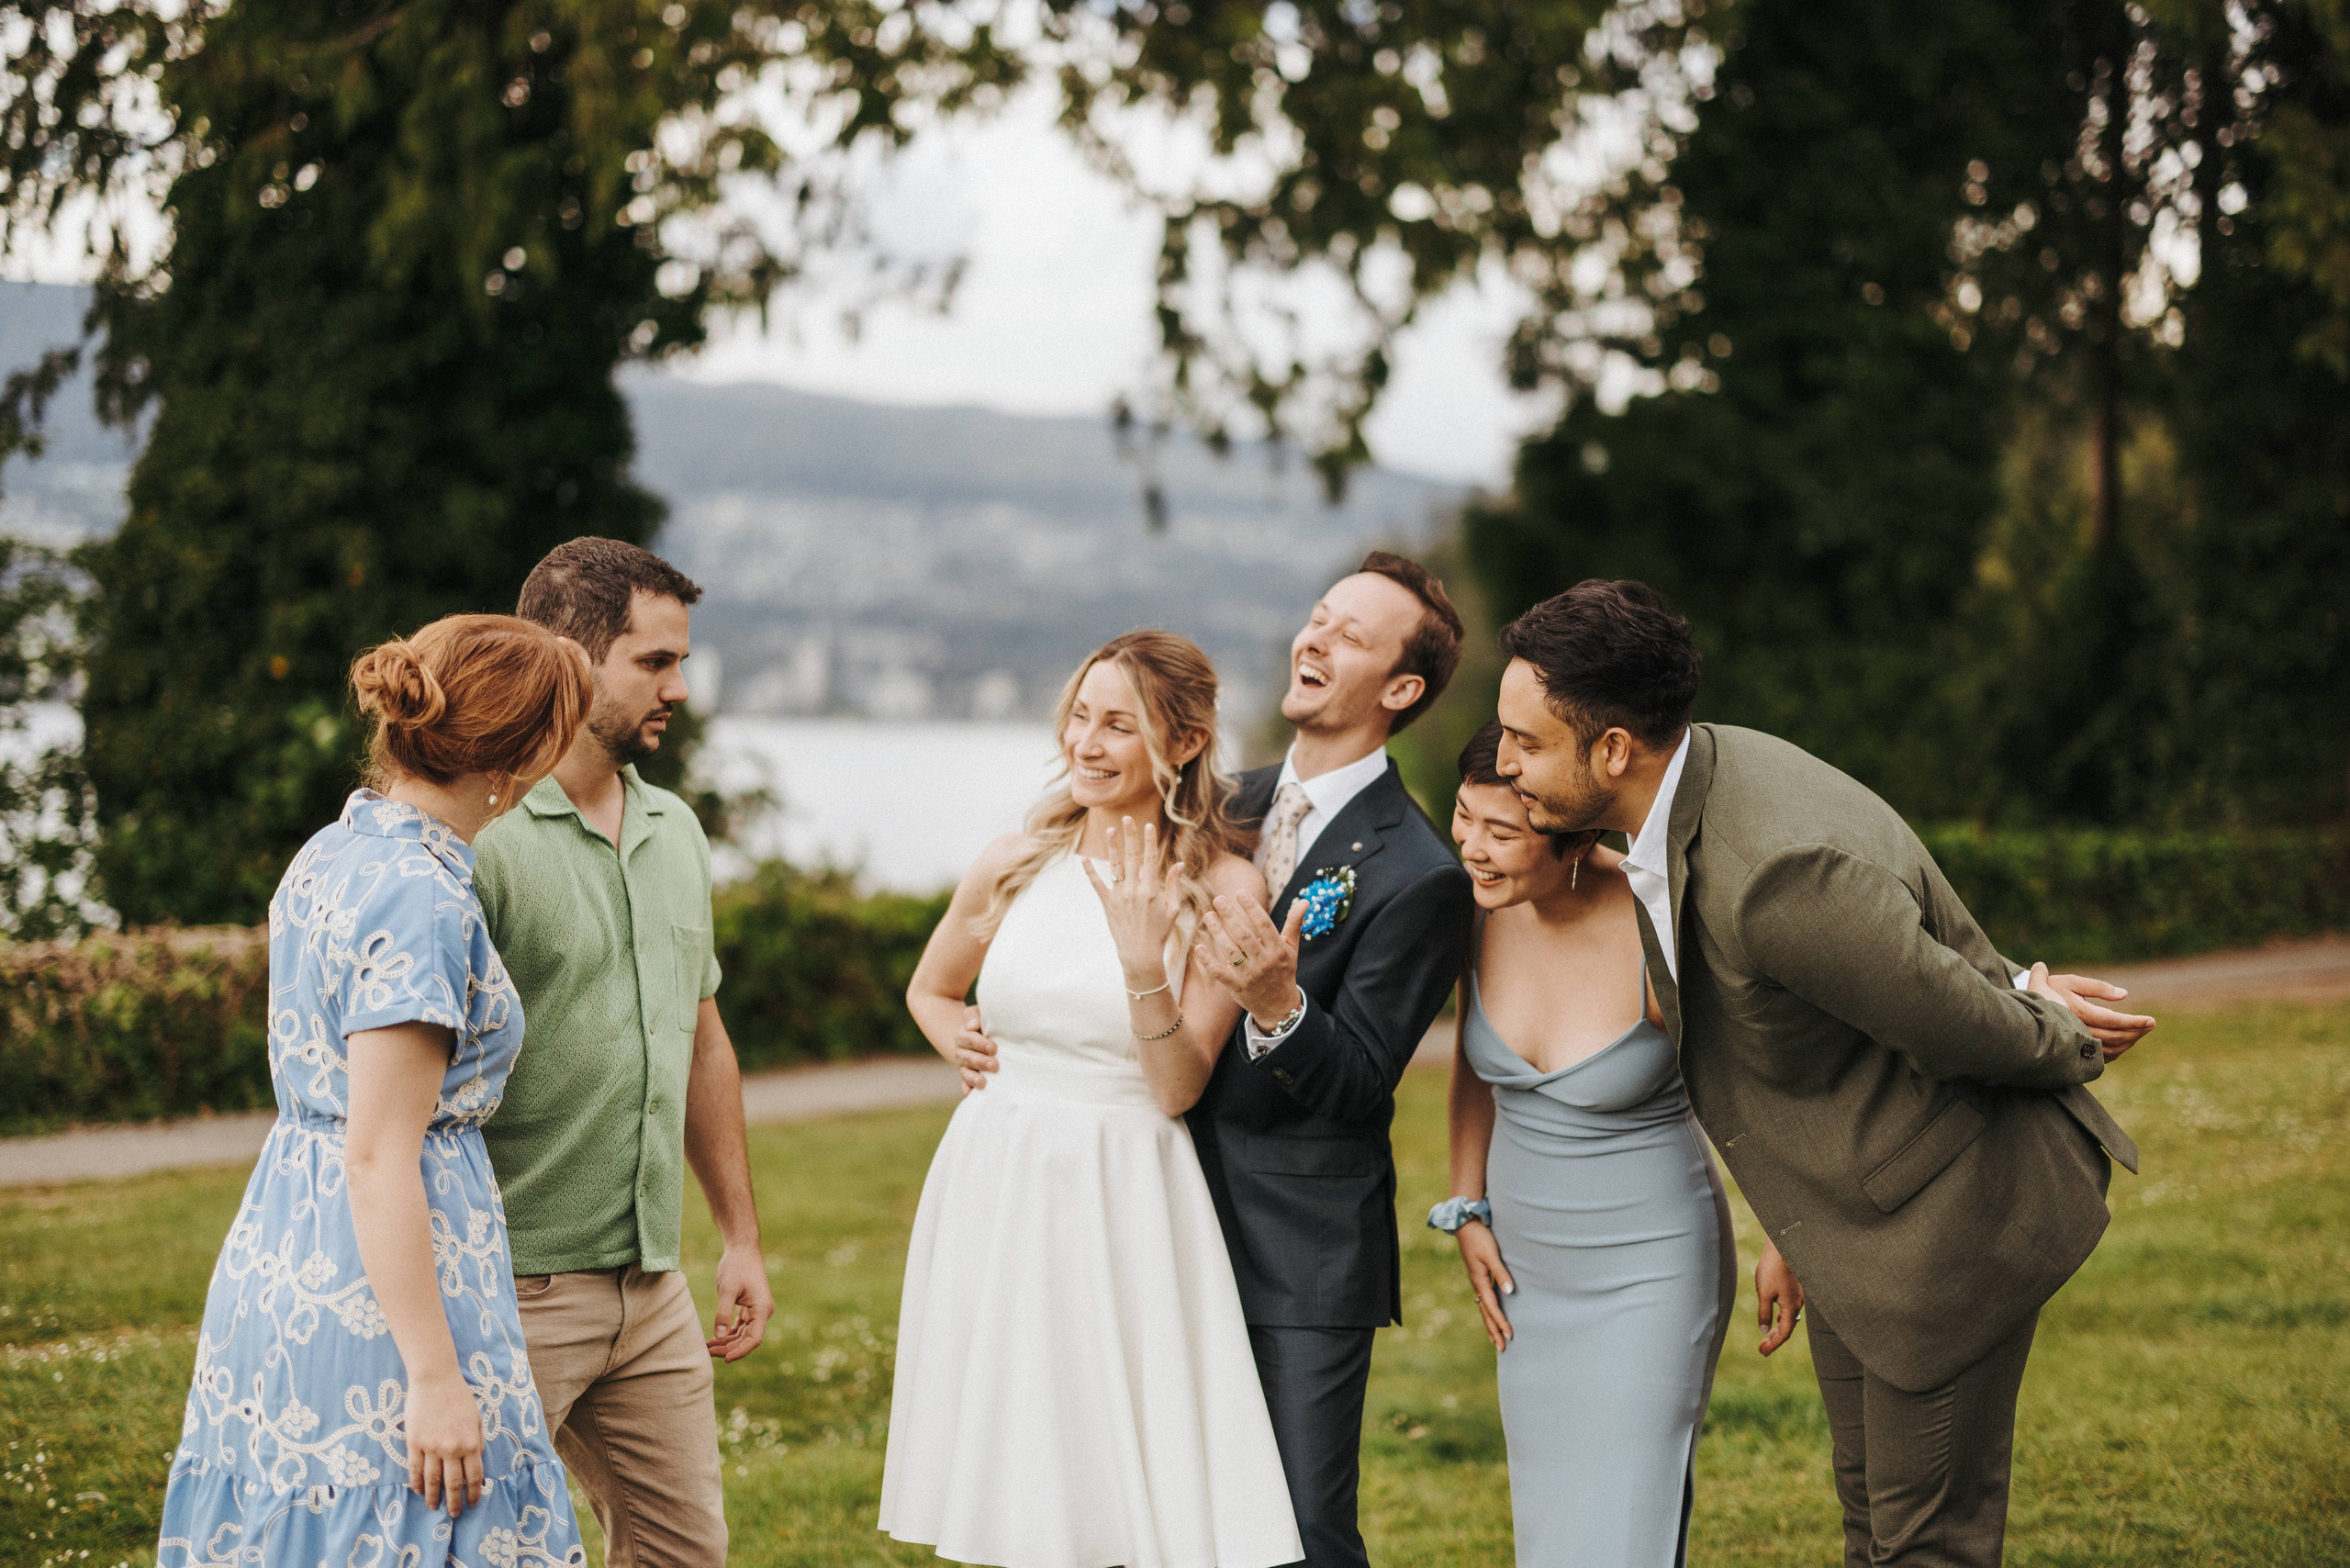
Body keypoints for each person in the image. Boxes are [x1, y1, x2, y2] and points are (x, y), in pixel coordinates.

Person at [1492, 579, 2157, 1568]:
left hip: (1944, 1230)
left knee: (1924, 1543)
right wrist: (1794, 1225)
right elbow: (1853, 996)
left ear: (1614, 750)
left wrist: (2057, 1028)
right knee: (1873, 1521)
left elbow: (1955, 1021)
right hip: (1851, 1224)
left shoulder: (1771, 873)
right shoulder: (1702, 776)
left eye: (1525, 742)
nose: (1504, 768)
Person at [159, 615, 593, 1568]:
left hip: (293, 1236)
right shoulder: (420, 895)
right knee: (416, 1520)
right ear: (516, 758)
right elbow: (380, 1150)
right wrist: (435, 1377)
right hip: (386, 1278)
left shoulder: (336, 849)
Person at [879, 630, 1303, 1568]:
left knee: (1112, 1466)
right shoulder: (1014, 860)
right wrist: (961, 1038)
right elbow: (930, 986)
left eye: (1120, 724)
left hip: (1125, 1184)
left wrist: (1144, 959)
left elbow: (1176, 1082)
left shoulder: (1226, 886)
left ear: (1185, 743)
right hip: (999, 1171)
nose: (1088, 742)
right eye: (1080, 716)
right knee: (1015, 1451)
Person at [472, 538, 774, 1567]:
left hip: (652, 1291)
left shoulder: (675, 828)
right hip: (513, 1287)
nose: (679, 688)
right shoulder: (483, 835)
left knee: (686, 1554)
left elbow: (702, 1041)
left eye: (680, 661)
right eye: (654, 662)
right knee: (462, 1548)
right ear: (568, 654)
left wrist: (739, 1234)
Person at [1184, 552, 1478, 1568]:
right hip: (1165, 1213)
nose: (1313, 639)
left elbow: (1357, 1083)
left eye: (1348, 634)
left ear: (1400, 690)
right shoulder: (1217, 805)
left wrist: (1278, 1002)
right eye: (1317, 619)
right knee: (1167, 1514)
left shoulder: (1421, 871)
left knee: (1301, 1534)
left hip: (1301, 1251)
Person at [1441, 717, 1788, 1567]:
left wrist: (1789, 1233)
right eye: (1464, 818)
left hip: (1651, 1268)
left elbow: (1758, 1088)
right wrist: (1466, 1205)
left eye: (1502, 832)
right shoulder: (1478, 912)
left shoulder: (1657, 928)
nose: (1472, 850)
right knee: (1554, 1523)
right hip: (1529, 1276)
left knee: (1626, 1522)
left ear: (1574, 837)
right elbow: (1472, 1068)